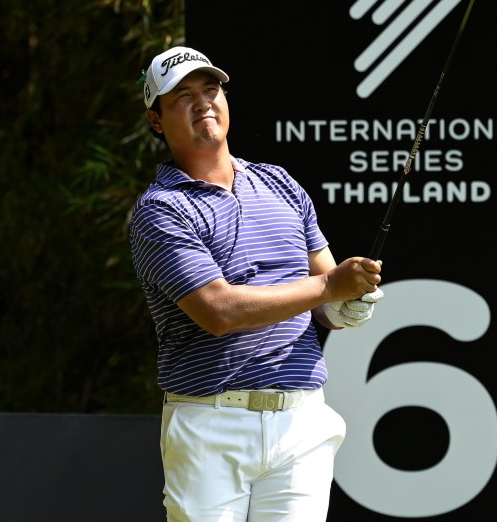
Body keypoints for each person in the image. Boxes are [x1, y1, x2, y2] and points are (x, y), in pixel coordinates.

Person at [129, 46, 384, 522]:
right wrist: (331, 288)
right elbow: (219, 311)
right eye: (182, 95)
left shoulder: (280, 183)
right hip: (210, 422)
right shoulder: (160, 210)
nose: (203, 101)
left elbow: (322, 301)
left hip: (300, 422)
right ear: (157, 120)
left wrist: (349, 306)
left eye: (210, 89)